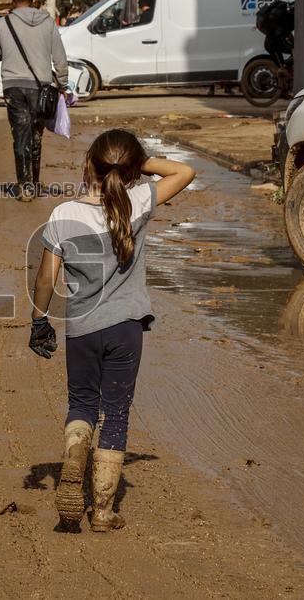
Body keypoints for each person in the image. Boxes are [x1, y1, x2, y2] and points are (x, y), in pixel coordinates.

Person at [29, 129, 195, 531]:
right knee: (116, 413)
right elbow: (185, 171)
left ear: (89, 165)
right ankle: (103, 511)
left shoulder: (63, 215)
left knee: (82, 403)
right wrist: (138, 163)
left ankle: (74, 454)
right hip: (126, 329)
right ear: (132, 169)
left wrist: (39, 321)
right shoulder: (139, 200)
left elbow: (46, 278)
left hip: (82, 329)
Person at [0, 0, 68, 201]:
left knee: (21, 136)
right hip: (41, 87)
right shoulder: (48, 23)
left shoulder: (3, 24)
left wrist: (6, 52)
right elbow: (60, 58)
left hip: (14, 88)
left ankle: (25, 187)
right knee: (36, 135)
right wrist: (63, 84)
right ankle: (36, 183)